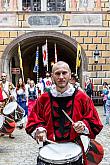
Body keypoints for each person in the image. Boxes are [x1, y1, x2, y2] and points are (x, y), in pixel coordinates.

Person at [26, 61, 103, 165]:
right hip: (50, 150)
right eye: (57, 73)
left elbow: (95, 123)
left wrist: (83, 125)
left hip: (75, 151)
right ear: (52, 76)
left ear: (70, 75)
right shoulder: (43, 99)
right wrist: (39, 130)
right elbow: (33, 121)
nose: (61, 77)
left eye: (64, 73)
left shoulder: (82, 98)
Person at [0, 72, 15, 138]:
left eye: (4, 76)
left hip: (8, 101)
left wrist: (12, 95)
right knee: (1, 117)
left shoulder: (9, 84)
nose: (3, 78)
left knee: (10, 117)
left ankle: (10, 133)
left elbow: (13, 92)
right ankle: (2, 131)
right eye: (2, 76)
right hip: (1, 102)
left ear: (6, 77)